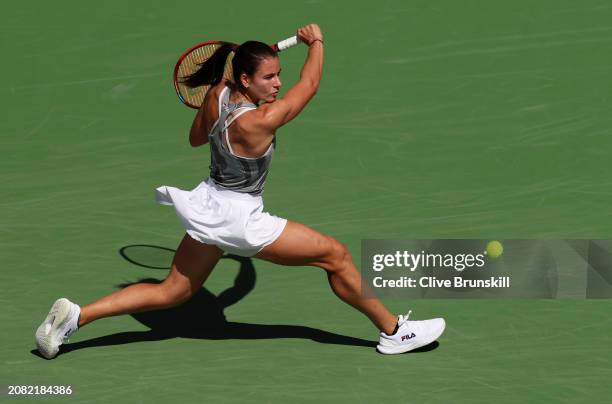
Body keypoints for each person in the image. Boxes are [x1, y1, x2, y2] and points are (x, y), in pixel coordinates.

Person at [35, 24, 445, 359]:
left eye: (278, 75)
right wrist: (316, 41)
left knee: (173, 291)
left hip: (208, 205)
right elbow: (312, 84)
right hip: (240, 218)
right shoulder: (260, 121)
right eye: (269, 77)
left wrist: (215, 99)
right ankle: (394, 332)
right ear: (246, 78)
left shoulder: (217, 95)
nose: (278, 84)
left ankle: (76, 316)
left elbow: (197, 139)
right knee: (334, 255)